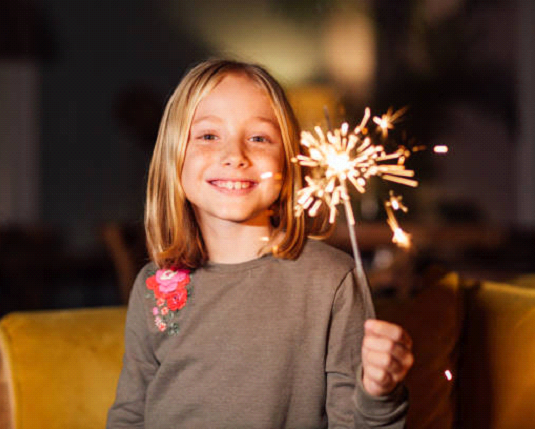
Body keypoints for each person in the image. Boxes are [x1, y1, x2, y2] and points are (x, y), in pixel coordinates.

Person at [106, 59, 414, 428]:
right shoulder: (152, 285)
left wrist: (378, 393)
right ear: (174, 158)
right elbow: (130, 415)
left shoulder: (332, 282)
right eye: (208, 136)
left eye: (259, 138)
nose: (235, 155)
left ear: (288, 160)